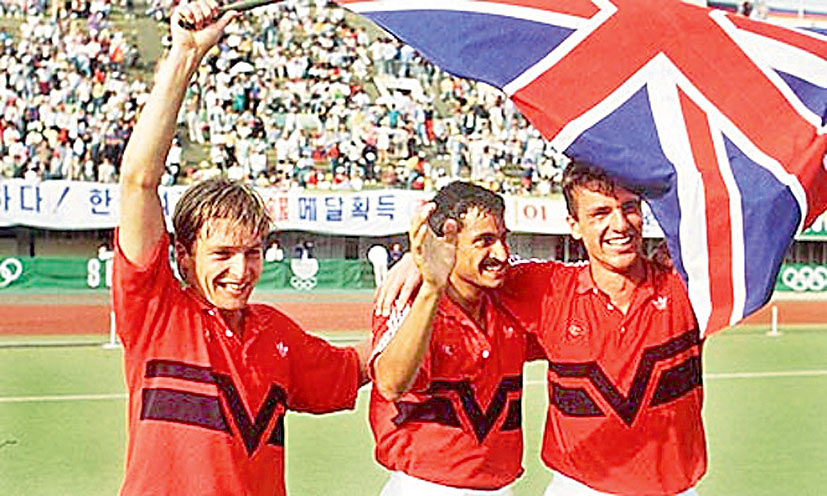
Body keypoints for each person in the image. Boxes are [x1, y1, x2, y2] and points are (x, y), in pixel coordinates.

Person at [114, 3, 367, 495]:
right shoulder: (156, 314)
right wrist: (185, 54)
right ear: (183, 255)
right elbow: (138, 182)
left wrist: (427, 292)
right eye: (223, 253)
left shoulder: (276, 333)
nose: (242, 269)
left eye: (252, 252)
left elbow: (356, 368)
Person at [376, 163, 704, 495]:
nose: (619, 224)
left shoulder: (689, 284)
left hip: (674, 488)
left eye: (629, 208)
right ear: (573, 226)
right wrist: (420, 267)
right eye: (600, 212)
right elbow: (391, 383)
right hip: (573, 489)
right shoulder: (549, 289)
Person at [370, 182, 540, 496]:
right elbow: (391, 383)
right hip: (424, 487)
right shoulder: (407, 297)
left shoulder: (512, 295)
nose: (501, 253)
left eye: (503, 238)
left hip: (502, 487)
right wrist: (432, 288)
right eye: (484, 241)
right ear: (448, 241)